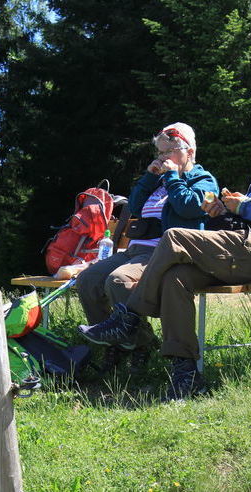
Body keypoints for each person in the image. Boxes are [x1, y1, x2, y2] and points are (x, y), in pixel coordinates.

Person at [78, 102, 251, 398]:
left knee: (174, 236)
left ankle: (129, 317)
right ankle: (187, 376)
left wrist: (246, 206)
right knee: (176, 277)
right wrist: (224, 210)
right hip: (242, 247)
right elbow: (248, 216)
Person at [76, 122, 219, 373]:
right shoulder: (158, 181)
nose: (163, 158)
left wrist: (172, 177)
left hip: (167, 253)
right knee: (88, 280)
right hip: (134, 251)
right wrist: (150, 177)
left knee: (118, 281)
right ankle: (119, 343)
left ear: (190, 152)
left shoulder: (204, 180)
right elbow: (134, 206)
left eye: (169, 151)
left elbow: (188, 207)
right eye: (160, 153)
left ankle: (141, 344)